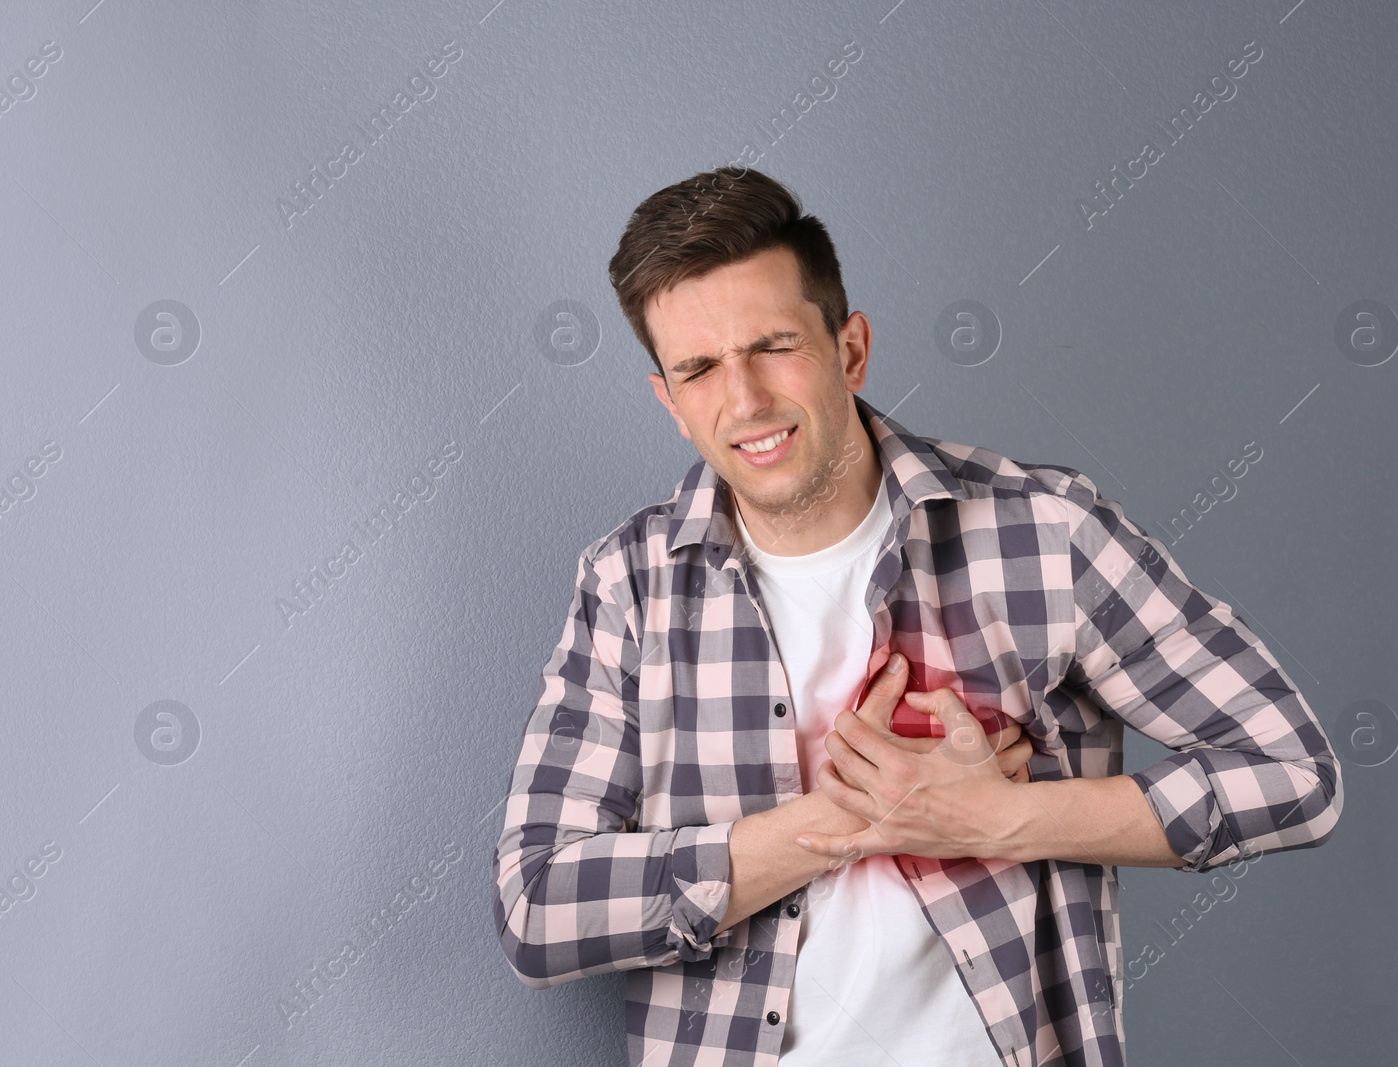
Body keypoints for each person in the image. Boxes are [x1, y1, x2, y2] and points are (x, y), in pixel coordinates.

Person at [494, 166, 1344, 1067]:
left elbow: (1294, 775)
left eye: (774, 345)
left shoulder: (1044, 533)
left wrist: (995, 820)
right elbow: (537, 904)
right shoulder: (633, 584)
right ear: (669, 399)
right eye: (700, 368)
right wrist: (831, 824)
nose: (743, 401)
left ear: (850, 349)